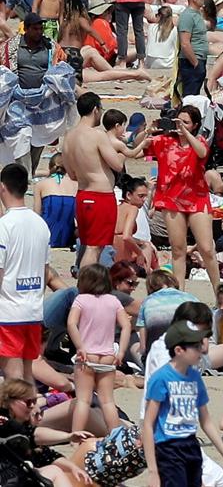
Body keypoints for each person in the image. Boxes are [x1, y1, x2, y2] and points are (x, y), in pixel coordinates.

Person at [142, 320, 223, 487]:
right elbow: (148, 424)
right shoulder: (161, 378)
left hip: (191, 446)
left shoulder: (195, 378)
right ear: (179, 350)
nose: (201, 351)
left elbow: (206, 421)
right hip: (168, 449)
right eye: (195, 347)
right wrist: (153, 470)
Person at [146, 104, 219, 291]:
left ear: (194, 125)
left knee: (206, 248)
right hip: (171, 199)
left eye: (186, 122)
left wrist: (186, 134)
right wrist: (149, 130)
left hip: (197, 197)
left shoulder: (199, 140)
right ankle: (179, 291)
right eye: (178, 121)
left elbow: (202, 153)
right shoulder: (164, 140)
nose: (180, 125)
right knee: (178, 248)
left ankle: (218, 289)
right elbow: (139, 149)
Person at [0, 164, 53, 385]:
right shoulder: (41, 225)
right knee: (28, 374)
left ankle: (19, 420)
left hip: (9, 311)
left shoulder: (4, 225)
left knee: (13, 377)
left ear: (3, 187)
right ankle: (30, 417)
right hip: (33, 309)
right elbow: (45, 271)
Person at [62, 93, 126, 269]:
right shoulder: (96, 135)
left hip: (83, 195)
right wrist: (123, 153)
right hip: (100, 196)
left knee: (87, 244)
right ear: (95, 110)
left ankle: (84, 286)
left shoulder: (68, 137)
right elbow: (117, 165)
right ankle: (86, 288)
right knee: (94, 248)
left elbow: (72, 174)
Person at [66, 263, 127, 435]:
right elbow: (126, 326)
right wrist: (121, 351)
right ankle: (116, 437)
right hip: (107, 356)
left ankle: (76, 435)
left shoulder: (81, 300)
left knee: (83, 400)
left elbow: (71, 323)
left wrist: (80, 346)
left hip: (87, 356)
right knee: (107, 401)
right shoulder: (113, 301)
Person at [0, 379, 93, 486]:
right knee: (54, 471)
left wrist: (74, 468)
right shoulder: (4, 422)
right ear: (10, 400)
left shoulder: (23, 426)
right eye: (29, 402)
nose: (32, 406)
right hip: (7, 479)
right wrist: (68, 437)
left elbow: (46, 455)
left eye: (35, 401)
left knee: (55, 470)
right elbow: (33, 435)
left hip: (17, 478)